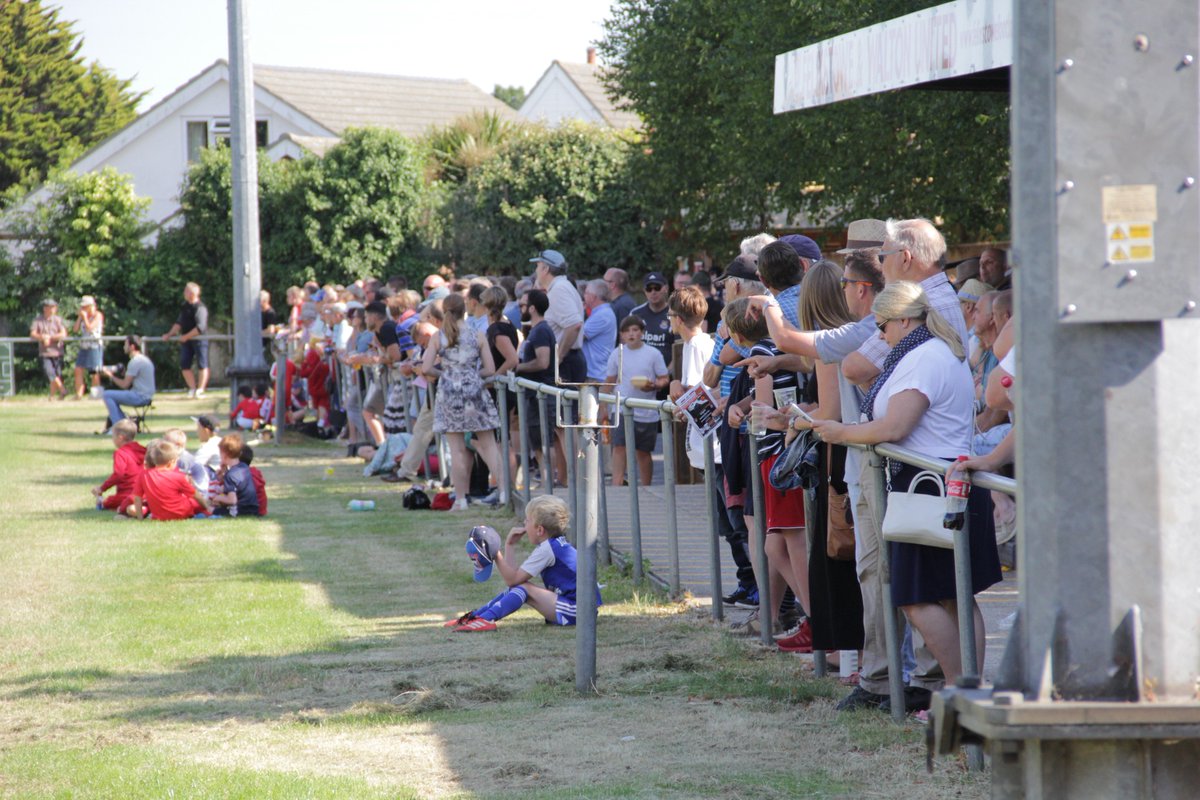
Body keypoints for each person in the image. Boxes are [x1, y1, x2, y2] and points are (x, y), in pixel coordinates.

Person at [812, 281, 1002, 689]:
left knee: (917, 597)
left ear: (903, 319)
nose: (880, 335)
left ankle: (959, 690)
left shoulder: (922, 357)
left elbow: (896, 426)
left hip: (931, 485)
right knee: (954, 595)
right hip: (943, 480)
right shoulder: (933, 351)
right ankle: (965, 690)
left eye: (882, 325)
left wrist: (840, 432)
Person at [446, 496, 601, 631]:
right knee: (520, 587)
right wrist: (510, 546)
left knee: (524, 588)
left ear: (539, 530)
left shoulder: (548, 549)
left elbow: (512, 579)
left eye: (527, 520)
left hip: (579, 611)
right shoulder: (554, 545)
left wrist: (496, 553)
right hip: (582, 609)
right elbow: (514, 580)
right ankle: (476, 617)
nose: (524, 524)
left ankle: (485, 620)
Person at [423, 294, 506, 511]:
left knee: (457, 449)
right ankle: (505, 492)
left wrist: (444, 373)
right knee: (488, 445)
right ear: (465, 310)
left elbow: (425, 368)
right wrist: (472, 374)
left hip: (448, 391)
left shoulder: (438, 337)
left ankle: (460, 500)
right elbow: (489, 369)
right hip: (474, 389)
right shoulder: (477, 334)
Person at [601, 316, 668, 486]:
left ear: (642, 333)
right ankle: (617, 485)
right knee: (619, 447)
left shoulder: (653, 353)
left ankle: (646, 486)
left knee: (643, 452)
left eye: (635, 330)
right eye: (627, 331)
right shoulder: (617, 353)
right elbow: (610, 380)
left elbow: (664, 378)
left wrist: (653, 385)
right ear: (622, 335)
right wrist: (602, 405)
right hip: (622, 408)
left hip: (646, 410)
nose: (631, 334)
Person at [514, 289, 560, 487]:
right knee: (539, 442)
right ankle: (546, 479)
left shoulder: (541, 330)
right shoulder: (535, 330)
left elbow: (543, 362)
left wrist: (517, 367)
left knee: (545, 441)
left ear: (532, 308)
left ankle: (549, 479)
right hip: (535, 394)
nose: (520, 308)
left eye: (523, 305)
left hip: (543, 393)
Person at [531, 249, 587, 384]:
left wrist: (559, 357)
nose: (536, 271)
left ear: (545, 269)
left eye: (537, 266)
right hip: (569, 360)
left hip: (566, 363)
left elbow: (574, 325)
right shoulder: (561, 286)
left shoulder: (559, 289)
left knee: (562, 405)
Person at [131, 440, 212, 521]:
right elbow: (195, 495)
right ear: (171, 462)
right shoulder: (178, 477)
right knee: (194, 502)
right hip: (182, 513)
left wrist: (140, 519)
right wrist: (206, 507)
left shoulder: (144, 475)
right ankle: (205, 514)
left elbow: (137, 498)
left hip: (159, 516)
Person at [161, 282, 209, 398]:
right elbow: (179, 323)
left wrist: (186, 336)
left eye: (186, 291)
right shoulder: (185, 306)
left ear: (192, 293)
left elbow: (200, 328)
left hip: (199, 340)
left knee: (202, 364)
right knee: (184, 365)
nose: (184, 293)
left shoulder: (200, 308)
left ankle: (200, 389)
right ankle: (192, 388)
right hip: (186, 341)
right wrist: (169, 334)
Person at [99, 336, 155, 434]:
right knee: (111, 395)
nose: (124, 347)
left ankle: (119, 428)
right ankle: (123, 423)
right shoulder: (144, 359)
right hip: (147, 396)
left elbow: (124, 385)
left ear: (132, 346)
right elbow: (134, 381)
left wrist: (110, 375)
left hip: (140, 396)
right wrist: (124, 374)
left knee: (107, 394)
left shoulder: (135, 361)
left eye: (125, 344)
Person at [92, 419, 146, 512]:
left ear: (120, 437)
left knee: (107, 502)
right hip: (145, 493)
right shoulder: (144, 450)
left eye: (113, 436)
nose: (112, 439)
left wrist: (102, 488)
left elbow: (118, 475)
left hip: (128, 494)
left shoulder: (121, 453)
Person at [631, 272, 674, 373]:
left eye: (657, 288)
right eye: (649, 289)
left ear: (666, 288)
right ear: (644, 291)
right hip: (639, 375)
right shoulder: (635, 313)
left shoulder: (674, 314)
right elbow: (626, 345)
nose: (653, 292)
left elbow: (680, 350)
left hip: (666, 376)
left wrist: (666, 375)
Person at [210, 434, 260, 517]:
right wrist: (224, 473)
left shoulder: (230, 475)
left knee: (209, 509)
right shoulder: (243, 466)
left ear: (225, 454)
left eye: (220, 453)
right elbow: (237, 486)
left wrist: (218, 498)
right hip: (253, 509)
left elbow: (232, 500)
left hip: (240, 511)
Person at [30, 299, 68, 400]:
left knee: (56, 375)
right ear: (45, 308)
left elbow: (63, 334)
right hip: (45, 352)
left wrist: (49, 337)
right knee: (50, 373)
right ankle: (63, 389)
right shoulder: (38, 320)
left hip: (57, 351)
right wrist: (42, 337)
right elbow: (33, 333)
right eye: (50, 307)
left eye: (54, 307)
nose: (52, 310)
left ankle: (52, 397)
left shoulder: (58, 320)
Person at [581, 279, 617, 383]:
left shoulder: (602, 315)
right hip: (596, 373)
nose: (584, 296)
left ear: (593, 297)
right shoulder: (601, 313)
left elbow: (578, 335)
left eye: (586, 293)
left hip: (596, 375)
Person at [72, 295, 105, 400]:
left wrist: (85, 317)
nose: (83, 309)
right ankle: (78, 394)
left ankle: (95, 394)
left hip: (94, 345)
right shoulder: (83, 316)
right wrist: (79, 317)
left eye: (85, 306)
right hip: (84, 345)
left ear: (91, 306)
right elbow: (75, 330)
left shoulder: (98, 315)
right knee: (78, 368)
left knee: (94, 371)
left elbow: (90, 328)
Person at [161, 427, 210, 493]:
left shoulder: (183, 460)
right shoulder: (176, 457)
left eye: (166, 442)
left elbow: (183, 483)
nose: (162, 444)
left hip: (198, 493)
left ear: (177, 445)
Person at [259, 290, 278, 361]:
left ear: (265, 301)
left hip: (266, 344)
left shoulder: (270, 313)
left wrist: (258, 334)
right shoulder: (259, 312)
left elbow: (271, 329)